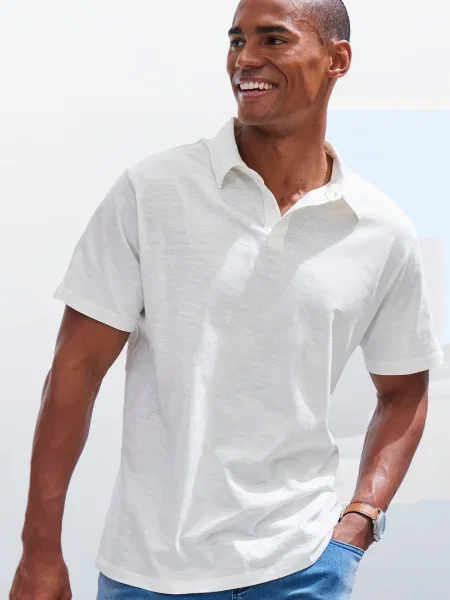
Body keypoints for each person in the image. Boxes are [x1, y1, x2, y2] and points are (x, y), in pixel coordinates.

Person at [9, 0, 444, 598]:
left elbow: (404, 389)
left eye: (273, 39)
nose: (246, 58)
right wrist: (39, 550)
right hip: (149, 574)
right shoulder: (152, 192)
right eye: (237, 40)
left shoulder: (381, 229)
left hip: (305, 567)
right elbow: (75, 371)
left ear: (337, 59)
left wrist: (361, 519)